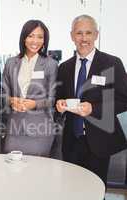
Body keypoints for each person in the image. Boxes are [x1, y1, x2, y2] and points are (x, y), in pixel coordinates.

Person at [55, 14, 127, 185]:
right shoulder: (65, 67)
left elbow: (124, 100)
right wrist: (59, 104)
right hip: (72, 141)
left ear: (96, 34)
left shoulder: (112, 63)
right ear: (72, 36)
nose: (84, 38)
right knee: (71, 189)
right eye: (79, 33)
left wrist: (94, 108)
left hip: (99, 141)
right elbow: (58, 98)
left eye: (88, 33)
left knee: (95, 190)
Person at [2, 20, 59, 156]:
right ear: (24, 38)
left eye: (40, 37)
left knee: (37, 172)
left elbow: (53, 99)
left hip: (40, 128)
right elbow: (2, 95)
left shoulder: (51, 64)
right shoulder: (11, 63)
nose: (35, 41)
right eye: (31, 36)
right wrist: (11, 101)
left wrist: (34, 104)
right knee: (12, 169)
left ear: (45, 41)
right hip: (15, 128)